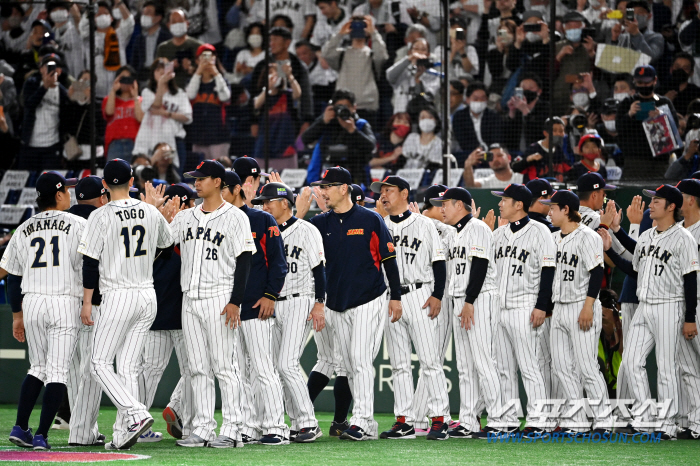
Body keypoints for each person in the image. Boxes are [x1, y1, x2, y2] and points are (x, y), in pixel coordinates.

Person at [77, 159, 174, 450]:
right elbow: (167, 248)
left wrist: (86, 302)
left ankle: (135, 412)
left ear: (104, 185)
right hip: (147, 295)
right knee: (128, 366)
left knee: (98, 362)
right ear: (132, 181)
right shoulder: (149, 210)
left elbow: (90, 263)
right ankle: (122, 435)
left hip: (118, 295)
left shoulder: (100, 216)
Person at [163, 160, 254, 448]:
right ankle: (202, 428)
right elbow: (162, 244)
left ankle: (233, 429)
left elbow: (245, 259)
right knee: (198, 367)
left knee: (225, 367)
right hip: (189, 298)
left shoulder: (236, 217)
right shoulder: (185, 217)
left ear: (217, 181)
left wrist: (235, 301)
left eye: (202, 178)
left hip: (220, 297)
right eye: (195, 178)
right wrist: (158, 216)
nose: (196, 182)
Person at [308, 167, 403, 441]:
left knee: (360, 360)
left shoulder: (370, 219)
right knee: (346, 365)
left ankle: (363, 421)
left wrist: (395, 296)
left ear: (343, 188)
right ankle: (357, 422)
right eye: (322, 187)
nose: (323, 191)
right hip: (335, 303)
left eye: (328, 186)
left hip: (368, 298)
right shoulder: (320, 223)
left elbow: (388, 260)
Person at [600, 184, 699, 439]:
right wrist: (610, 247)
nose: (651, 204)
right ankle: (644, 419)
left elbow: (690, 280)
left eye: (657, 200)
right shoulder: (646, 236)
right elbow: (634, 271)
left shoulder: (683, 238)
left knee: (667, 367)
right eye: (652, 200)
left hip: (670, 304)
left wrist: (690, 318)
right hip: (645, 306)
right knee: (632, 362)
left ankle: (667, 425)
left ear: (672, 206)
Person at [4, 172, 85, 451]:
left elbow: (9, 274)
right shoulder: (78, 224)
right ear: (60, 194)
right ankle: (40, 435)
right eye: (68, 191)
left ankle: (20, 427)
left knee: (37, 367)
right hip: (64, 301)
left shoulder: (24, 227)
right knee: (58, 371)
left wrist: (17, 315)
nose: (70, 196)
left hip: (33, 302)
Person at [429, 187, 518, 437]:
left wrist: (469, 301)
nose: (441, 208)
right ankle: (468, 420)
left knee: (484, 361)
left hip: (478, 299)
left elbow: (480, 266)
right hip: (461, 300)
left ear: (459, 205)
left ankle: (500, 420)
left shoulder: (477, 228)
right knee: (465, 366)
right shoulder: (455, 232)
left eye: (445, 203)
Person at [371, 176, 449, 441]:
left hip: (420, 293)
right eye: (381, 191)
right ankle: (404, 421)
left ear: (404, 193)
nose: (383, 195)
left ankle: (439, 419)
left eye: (389, 190)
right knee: (399, 364)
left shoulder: (425, 224)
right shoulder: (379, 225)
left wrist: (438, 294)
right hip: (392, 297)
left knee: (430, 360)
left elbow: (439, 261)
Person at [252, 182, 326, 443]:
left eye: (269, 201)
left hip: (299, 299)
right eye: (262, 201)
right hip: (271, 302)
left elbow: (320, 270)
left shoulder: (307, 229)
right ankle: (292, 422)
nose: (264, 205)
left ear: (285, 202)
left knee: (286, 363)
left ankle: (308, 422)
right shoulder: (265, 229)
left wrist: (319, 303)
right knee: (272, 366)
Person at [539, 189, 613, 434]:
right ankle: (577, 420)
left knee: (587, 366)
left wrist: (589, 306)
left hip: (582, 305)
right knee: (561, 367)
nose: (549, 212)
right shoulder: (553, 238)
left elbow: (597, 272)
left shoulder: (587, 236)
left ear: (566, 210)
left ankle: (603, 420)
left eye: (553, 208)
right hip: (559, 308)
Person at [223, 170, 289, 445]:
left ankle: (276, 427)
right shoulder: (219, 221)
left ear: (236, 189)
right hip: (229, 309)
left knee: (264, 369)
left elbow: (278, 262)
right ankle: (248, 426)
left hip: (255, 305)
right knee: (238, 371)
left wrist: (270, 295)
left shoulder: (262, 219)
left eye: (225, 188)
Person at [490, 184, 554, 435]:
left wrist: (542, 305)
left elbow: (549, 270)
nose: (500, 203)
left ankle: (538, 420)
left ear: (519, 204)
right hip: (500, 308)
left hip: (525, 306)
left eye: (504, 199)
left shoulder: (540, 231)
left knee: (530, 366)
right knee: (504, 368)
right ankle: (509, 419)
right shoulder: (498, 234)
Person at [138, 183, 195, 444]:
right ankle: (186, 418)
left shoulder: (148, 229)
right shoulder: (191, 231)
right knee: (194, 369)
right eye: (190, 203)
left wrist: (153, 212)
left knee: (148, 371)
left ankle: (135, 423)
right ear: (183, 205)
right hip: (184, 314)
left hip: (156, 311)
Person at [66, 176, 109, 448]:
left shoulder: (64, 220)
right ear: (102, 197)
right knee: (91, 367)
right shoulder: (100, 220)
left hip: (61, 301)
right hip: (90, 301)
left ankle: (84, 428)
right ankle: (82, 431)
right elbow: (94, 266)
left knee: (71, 369)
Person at [322, 15, 388, 127]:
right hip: (343, 107)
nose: (359, 29)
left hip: (367, 106)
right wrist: (340, 34)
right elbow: (326, 53)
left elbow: (383, 56)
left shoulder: (372, 55)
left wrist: (374, 33)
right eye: (355, 26)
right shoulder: (342, 54)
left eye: (362, 26)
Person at [616, 65, 679, 179]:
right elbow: (619, 129)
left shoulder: (664, 102)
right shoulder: (627, 102)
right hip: (635, 161)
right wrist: (629, 114)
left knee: (658, 195)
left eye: (646, 82)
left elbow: (675, 130)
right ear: (634, 81)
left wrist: (661, 117)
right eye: (640, 83)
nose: (643, 86)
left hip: (659, 162)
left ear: (655, 80)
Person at [302, 89, 376, 183]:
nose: (342, 111)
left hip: (355, 177)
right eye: (339, 107)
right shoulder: (327, 123)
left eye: (346, 107)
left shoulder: (360, 125)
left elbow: (371, 146)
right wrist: (322, 121)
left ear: (354, 108)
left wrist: (353, 131)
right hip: (328, 177)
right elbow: (305, 139)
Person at [673, 179, 700, 439]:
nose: (677, 198)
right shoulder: (676, 230)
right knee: (687, 367)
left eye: (681, 194)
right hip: (681, 303)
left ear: (691, 199)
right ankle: (695, 423)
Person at [133, 58, 193, 173]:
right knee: (151, 176)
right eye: (157, 69)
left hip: (176, 141)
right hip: (152, 142)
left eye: (163, 69)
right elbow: (156, 104)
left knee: (175, 177)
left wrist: (166, 113)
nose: (161, 72)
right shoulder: (147, 92)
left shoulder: (179, 93)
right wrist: (161, 84)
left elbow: (188, 117)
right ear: (153, 73)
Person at [251, 27, 314, 134]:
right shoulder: (262, 66)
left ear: (287, 43)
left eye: (275, 40)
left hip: (291, 118)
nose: (272, 44)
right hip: (266, 118)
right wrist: (253, 121)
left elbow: (305, 95)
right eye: (271, 40)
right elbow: (254, 92)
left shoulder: (298, 66)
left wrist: (307, 120)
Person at [18, 54, 73, 171]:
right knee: (27, 184)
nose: (52, 69)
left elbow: (73, 110)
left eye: (55, 66)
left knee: (48, 184)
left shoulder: (63, 90)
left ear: (60, 70)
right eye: (48, 66)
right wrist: (45, 87)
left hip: (52, 146)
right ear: (41, 69)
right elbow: (28, 104)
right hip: (30, 145)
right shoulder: (31, 83)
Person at [186, 44, 232, 161]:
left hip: (219, 136)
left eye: (211, 56)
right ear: (197, 60)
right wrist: (199, 71)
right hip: (197, 135)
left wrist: (216, 73)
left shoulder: (222, 81)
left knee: (219, 171)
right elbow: (190, 95)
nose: (207, 60)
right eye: (203, 56)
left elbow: (225, 97)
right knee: (200, 173)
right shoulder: (192, 81)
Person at [252, 63, 301, 160]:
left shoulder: (287, 95)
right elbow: (256, 105)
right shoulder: (262, 96)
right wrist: (268, 88)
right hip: (264, 148)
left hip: (285, 147)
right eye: (270, 73)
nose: (274, 76)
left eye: (277, 74)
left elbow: (298, 94)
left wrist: (289, 75)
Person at [552, 11, 596, 116]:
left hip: (585, 101)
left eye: (577, 26)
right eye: (570, 27)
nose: (573, 29)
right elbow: (548, 75)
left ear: (584, 27)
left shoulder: (593, 46)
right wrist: (559, 57)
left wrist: (592, 54)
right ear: (564, 29)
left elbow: (599, 75)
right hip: (559, 100)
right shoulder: (556, 47)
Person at [86, 1, 134, 98]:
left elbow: (129, 22)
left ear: (111, 18)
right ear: (94, 19)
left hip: (118, 94)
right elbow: (81, 27)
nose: (102, 16)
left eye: (106, 14)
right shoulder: (87, 38)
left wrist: (119, 2)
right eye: (99, 14)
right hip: (94, 94)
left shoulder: (119, 35)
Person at [386, 37, 440, 115]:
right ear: (410, 52)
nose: (419, 53)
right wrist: (408, 60)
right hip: (402, 117)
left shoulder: (433, 75)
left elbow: (426, 97)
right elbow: (390, 77)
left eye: (423, 49)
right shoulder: (402, 71)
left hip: (421, 118)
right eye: (416, 49)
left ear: (428, 54)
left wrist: (417, 80)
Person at [155, 8, 203, 89]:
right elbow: (157, 73)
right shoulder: (163, 48)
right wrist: (170, 67)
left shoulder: (199, 46)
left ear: (187, 23)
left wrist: (191, 69)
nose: (177, 24)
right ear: (168, 25)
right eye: (174, 22)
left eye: (180, 21)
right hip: (169, 91)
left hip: (193, 92)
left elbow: (206, 74)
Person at [103, 65, 143, 161]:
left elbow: (140, 118)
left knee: (134, 175)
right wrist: (113, 89)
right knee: (114, 175)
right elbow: (109, 112)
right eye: (122, 78)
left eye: (128, 78)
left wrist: (135, 96)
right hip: (115, 144)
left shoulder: (140, 100)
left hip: (135, 144)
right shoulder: (109, 99)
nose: (125, 82)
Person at [506, 12, 551, 96]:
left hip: (544, 91)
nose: (533, 30)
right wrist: (518, 41)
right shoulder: (520, 46)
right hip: (521, 91)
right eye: (529, 25)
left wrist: (545, 38)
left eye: (536, 26)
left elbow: (549, 63)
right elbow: (511, 66)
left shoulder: (550, 44)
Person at [512, 117, 569, 183]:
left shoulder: (559, 150)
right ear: (545, 133)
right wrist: (528, 159)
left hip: (555, 190)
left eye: (561, 131)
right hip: (534, 190)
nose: (558, 134)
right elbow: (514, 167)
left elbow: (569, 171)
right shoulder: (533, 148)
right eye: (554, 131)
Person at [503, 74, 550, 153]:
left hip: (538, 153)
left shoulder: (546, 108)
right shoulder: (517, 109)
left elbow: (539, 133)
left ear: (539, 91)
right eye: (523, 88)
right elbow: (507, 137)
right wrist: (512, 112)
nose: (527, 90)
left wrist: (525, 111)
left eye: (531, 88)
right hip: (516, 153)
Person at [453, 82, 503, 154]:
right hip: (469, 153)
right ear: (467, 99)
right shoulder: (459, 117)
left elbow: (496, 139)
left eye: (483, 99)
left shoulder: (493, 116)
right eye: (475, 99)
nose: (479, 101)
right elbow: (462, 141)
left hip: (490, 153)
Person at [131, 1, 171, 84]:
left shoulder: (167, 38)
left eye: (148, 13)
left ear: (158, 18)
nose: (144, 16)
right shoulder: (139, 39)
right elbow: (134, 63)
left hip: (161, 76)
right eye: (143, 13)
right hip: (142, 77)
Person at [295, 40, 337, 118]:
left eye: (304, 53)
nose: (302, 57)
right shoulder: (297, 69)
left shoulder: (321, 65)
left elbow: (330, 77)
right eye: (299, 55)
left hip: (324, 97)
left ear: (312, 53)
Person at [657, 52, 700, 117]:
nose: (680, 70)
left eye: (685, 68)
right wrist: (663, 102)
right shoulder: (659, 92)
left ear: (691, 72)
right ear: (671, 69)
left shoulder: (696, 93)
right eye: (677, 67)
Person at [47, 2, 82, 78]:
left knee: (79, 89)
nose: (58, 11)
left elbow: (77, 17)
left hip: (78, 75)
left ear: (68, 12)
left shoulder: (75, 29)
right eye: (54, 10)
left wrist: (70, 2)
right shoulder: (50, 35)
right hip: (61, 78)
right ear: (50, 15)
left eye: (61, 9)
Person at [232, 22, 265, 87]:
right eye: (252, 33)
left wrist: (251, 70)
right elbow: (236, 74)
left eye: (257, 33)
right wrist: (238, 70)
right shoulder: (242, 53)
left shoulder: (267, 55)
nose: (254, 36)